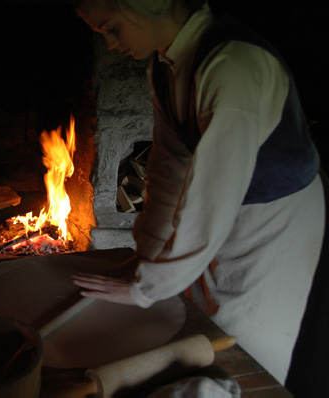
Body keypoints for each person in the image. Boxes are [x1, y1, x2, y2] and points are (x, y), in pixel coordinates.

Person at [70, 0, 327, 392]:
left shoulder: (232, 66)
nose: (109, 44)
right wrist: (148, 253)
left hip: (274, 223)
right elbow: (169, 165)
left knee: (242, 351)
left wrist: (147, 287)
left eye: (111, 27)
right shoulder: (165, 66)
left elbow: (213, 191)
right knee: (196, 328)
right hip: (227, 211)